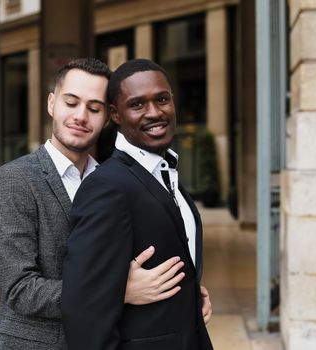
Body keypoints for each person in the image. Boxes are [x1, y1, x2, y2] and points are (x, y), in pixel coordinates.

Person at [0, 58, 208, 349]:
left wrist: (186, 295)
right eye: (71, 102)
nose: (81, 116)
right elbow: (20, 290)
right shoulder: (12, 180)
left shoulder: (116, 180)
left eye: (94, 108)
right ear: (52, 103)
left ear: (110, 116)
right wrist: (116, 291)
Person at [62, 58, 214, 350]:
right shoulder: (106, 187)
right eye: (138, 105)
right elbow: (85, 310)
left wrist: (191, 297)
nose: (155, 113)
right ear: (116, 115)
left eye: (162, 99)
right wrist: (118, 289)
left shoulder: (168, 178)